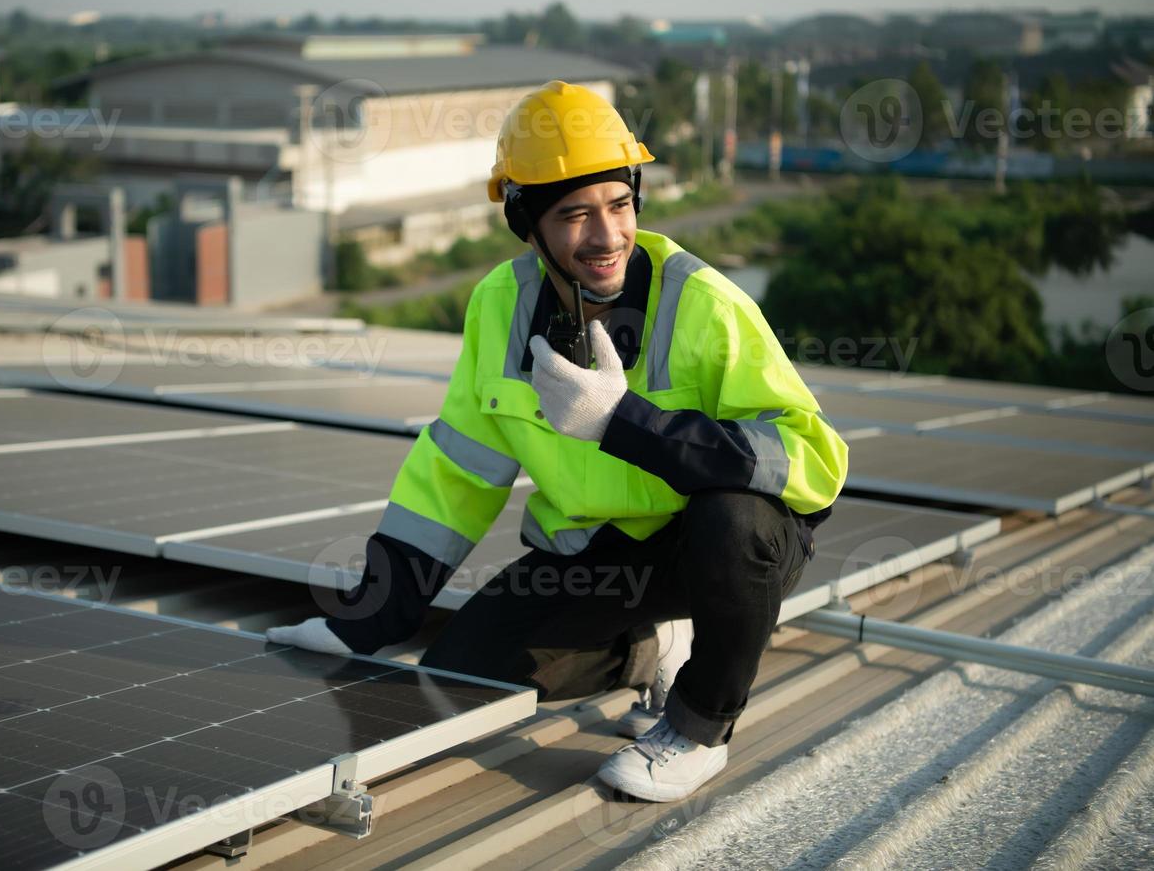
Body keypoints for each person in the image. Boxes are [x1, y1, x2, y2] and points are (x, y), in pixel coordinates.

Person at [268, 80, 849, 802]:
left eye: (619, 205)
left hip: (724, 548)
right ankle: (650, 644)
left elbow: (814, 462)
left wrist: (626, 423)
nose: (606, 235)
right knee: (463, 674)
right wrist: (369, 621)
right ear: (526, 222)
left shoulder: (702, 303)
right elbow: (457, 472)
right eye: (575, 214)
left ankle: (700, 726)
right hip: (599, 554)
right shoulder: (499, 307)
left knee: (734, 523)